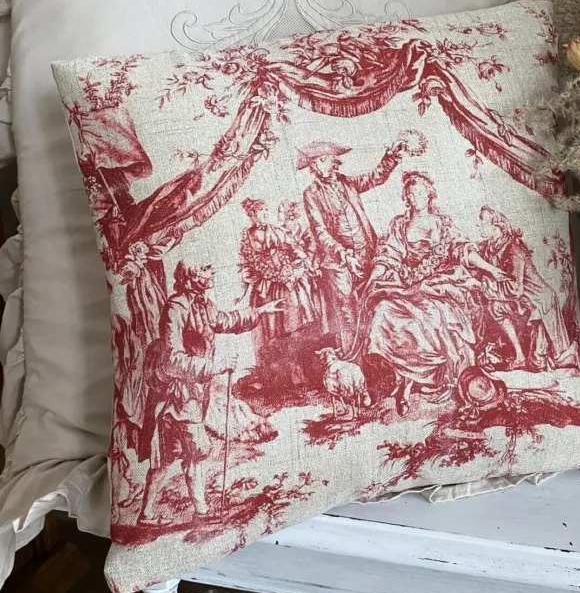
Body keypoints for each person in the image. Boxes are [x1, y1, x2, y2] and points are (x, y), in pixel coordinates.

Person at [136, 262, 284, 527]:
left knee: (173, 455)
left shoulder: (202, 303)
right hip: (177, 393)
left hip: (192, 391)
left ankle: (149, 514)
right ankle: (201, 512)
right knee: (197, 448)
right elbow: (172, 360)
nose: (212, 274)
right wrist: (214, 366)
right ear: (191, 279)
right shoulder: (176, 309)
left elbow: (224, 321)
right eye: (206, 271)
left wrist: (258, 311)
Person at [363, 172, 507, 415]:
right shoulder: (400, 225)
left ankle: (433, 378)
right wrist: (374, 277)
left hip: (440, 283)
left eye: (420, 192)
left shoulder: (443, 224)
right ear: (406, 197)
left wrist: (491, 269)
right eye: (411, 193)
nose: (415, 196)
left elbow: (463, 251)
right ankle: (401, 377)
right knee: (383, 311)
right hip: (408, 285)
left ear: (430, 193)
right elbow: (388, 255)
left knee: (433, 313)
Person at [300, 139, 406, 351]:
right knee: (347, 313)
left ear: (334, 162)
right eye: (314, 163)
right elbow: (320, 232)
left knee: (379, 301)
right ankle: (353, 361)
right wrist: (343, 255)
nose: (318, 167)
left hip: (367, 253)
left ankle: (381, 355)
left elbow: (375, 177)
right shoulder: (311, 194)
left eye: (322, 160)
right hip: (338, 264)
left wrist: (392, 157)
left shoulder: (348, 183)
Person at [477, 206, 578, 371]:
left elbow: (515, 288)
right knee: (495, 307)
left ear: (496, 227)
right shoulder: (492, 247)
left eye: (482, 221)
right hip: (523, 300)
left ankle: (559, 355)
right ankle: (519, 356)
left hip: (540, 301)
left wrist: (488, 287)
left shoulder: (513, 250)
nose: (478, 225)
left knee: (537, 364)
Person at [239, 198, 317, 352]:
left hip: (284, 284)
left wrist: (303, 261)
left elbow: (293, 248)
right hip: (264, 290)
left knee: (293, 323)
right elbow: (245, 263)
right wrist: (247, 284)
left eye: (267, 210)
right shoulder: (246, 236)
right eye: (262, 211)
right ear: (252, 214)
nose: (266, 214)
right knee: (270, 331)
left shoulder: (276, 230)